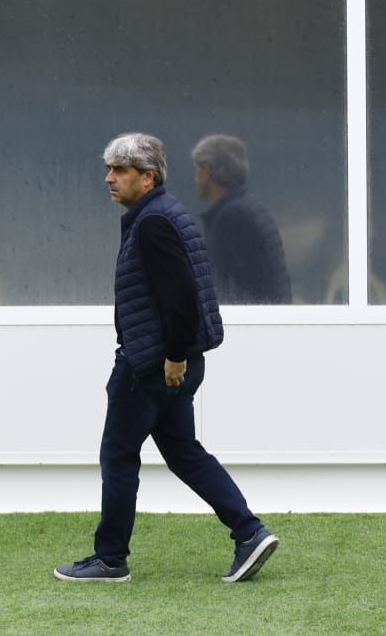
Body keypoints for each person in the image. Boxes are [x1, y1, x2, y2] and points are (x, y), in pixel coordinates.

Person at [54, 132, 280, 584]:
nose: (109, 178)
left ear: (148, 176)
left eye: (119, 170)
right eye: (109, 168)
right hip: (170, 362)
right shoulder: (161, 215)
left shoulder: (154, 222)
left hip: (152, 364)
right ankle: (249, 532)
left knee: (118, 455)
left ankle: (109, 559)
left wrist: (174, 356)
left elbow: (180, 297)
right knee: (183, 452)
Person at [191, 134, 293, 305]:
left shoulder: (232, 218)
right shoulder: (247, 208)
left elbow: (231, 291)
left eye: (197, 168)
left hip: (252, 326)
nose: (195, 176)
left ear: (206, 170)